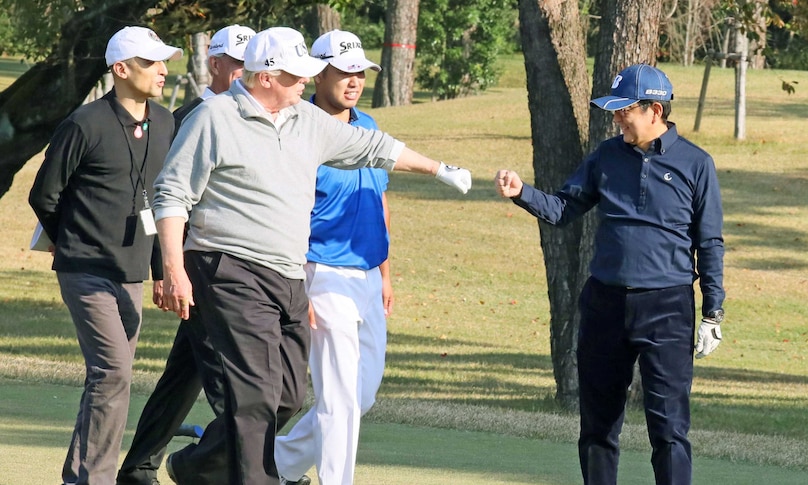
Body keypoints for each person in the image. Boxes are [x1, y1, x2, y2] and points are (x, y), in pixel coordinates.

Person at [152, 27, 471, 485]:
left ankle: (198, 465)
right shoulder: (214, 117)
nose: (305, 82)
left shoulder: (304, 118)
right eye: (296, 75)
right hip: (228, 267)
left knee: (285, 397)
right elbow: (171, 193)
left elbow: (374, 148)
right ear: (265, 77)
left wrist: (439, 169)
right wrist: (173, 268)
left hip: (286, 276)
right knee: (257, 394)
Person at [494, 64, 725, 485]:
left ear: (654, 110)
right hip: (605, 303)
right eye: (615, 111)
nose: (616, 118)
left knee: (669, 429)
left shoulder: (696, 164)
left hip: (668, 307)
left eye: (624, 111)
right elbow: (564, 209)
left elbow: (708, 243)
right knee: (598, 426)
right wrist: (522, 193)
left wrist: (713, 311)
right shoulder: (605, 155)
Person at [28, 26, 182, 485]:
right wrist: (70, 240)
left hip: (132, 271)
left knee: (108, 378)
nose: (162, 70)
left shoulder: (167, 122)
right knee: (113, 372)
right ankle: (93, 479)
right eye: (152, 62)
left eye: (164, 62)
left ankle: (80, 474)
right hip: (85, 270)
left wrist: (160, 272)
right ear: (121, 69)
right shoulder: (84, 123)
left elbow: (161, 201)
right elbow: (44, 195)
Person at [115, 24, 255, 485]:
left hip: (238, 265)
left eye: (251, 63)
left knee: (187, 372)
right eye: (236, 62)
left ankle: (140, 466)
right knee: (227, 378)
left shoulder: (259, 115)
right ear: (214, 64)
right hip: (201, 265)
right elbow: (158, 195)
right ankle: (244, 467)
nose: (243, 71)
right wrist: (164, 267)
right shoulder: (187, 117)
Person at [273, 29, 390, 485]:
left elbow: (378, 203)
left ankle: (275, 467)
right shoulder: (297, 127)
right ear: (318, 73)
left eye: (359, 71)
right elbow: (287, 212)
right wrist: (299, 282)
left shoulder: (369, 128)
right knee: (339, 398)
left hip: (367, 275)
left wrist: (386, 274)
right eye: (343, 71)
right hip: (321, 270)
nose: (353, 80)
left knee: (361, 395)